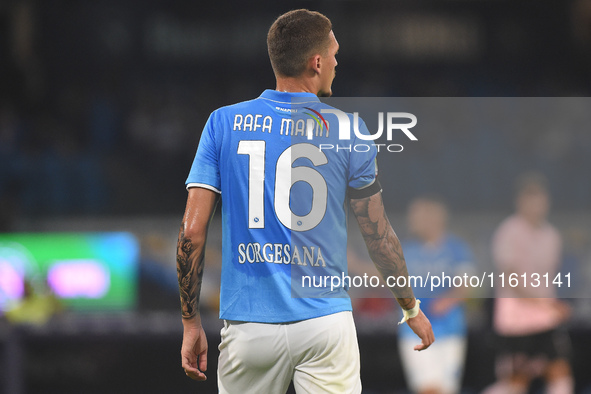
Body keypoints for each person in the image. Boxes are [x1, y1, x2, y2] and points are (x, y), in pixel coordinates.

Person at [176, 9, 434, 393]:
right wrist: (409, 306)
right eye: (333, 53)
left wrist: (190, 322)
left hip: (249, 327)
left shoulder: (222, 123)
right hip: (324, 323)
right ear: (316, 63)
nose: (336, 62)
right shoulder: (349, 130)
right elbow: (378, 235)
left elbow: (192, 233)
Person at [484, 173, 573, 394]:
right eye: (530, 200)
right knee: (516, 382)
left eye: (540, 200)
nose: (536, 206)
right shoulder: (509, 232)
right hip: (516, 322)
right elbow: (511, 278)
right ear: (520, 202)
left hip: (545, 320)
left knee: (560, 373)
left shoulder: (552, 235)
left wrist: (551, 306)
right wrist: (546, 304)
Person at [397, 196, 473, 394]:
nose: (412, 221)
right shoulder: (406, 250)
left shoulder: (456, 249)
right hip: (414, 331)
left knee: (447, 388)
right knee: (427, 388)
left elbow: (466, 286)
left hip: (450, 329)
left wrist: (446, 301)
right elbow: (384, 279)